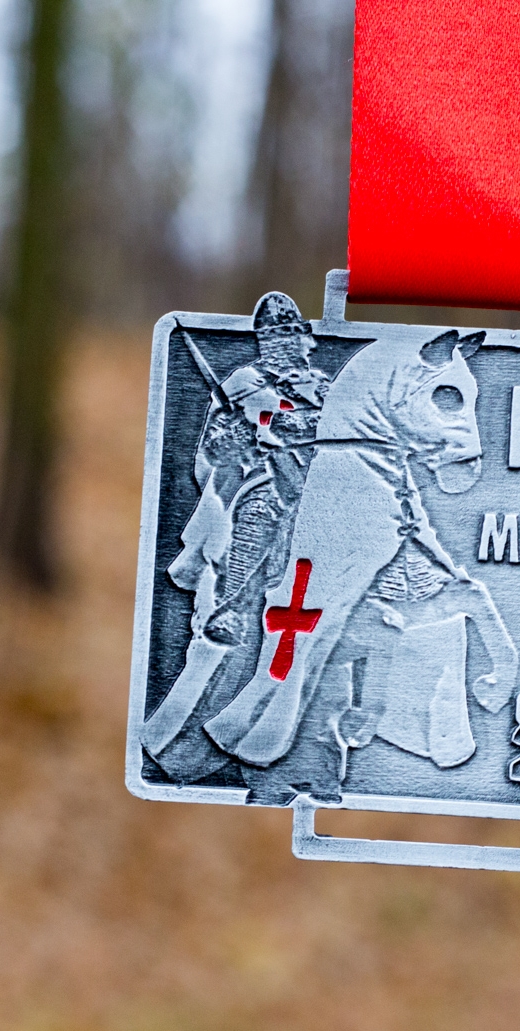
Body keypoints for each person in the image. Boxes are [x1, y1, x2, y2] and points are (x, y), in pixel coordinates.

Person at [141, 293, 332, 784]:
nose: (293, 347)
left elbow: (342, 433)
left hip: (317, 494)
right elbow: (212, 454)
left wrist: (301, 427)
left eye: (294, 337)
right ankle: (230, 605)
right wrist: (235, 434)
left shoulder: (323, 386)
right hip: (262, 484)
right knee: (257, 520)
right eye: (280, 338)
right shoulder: (243, 384)